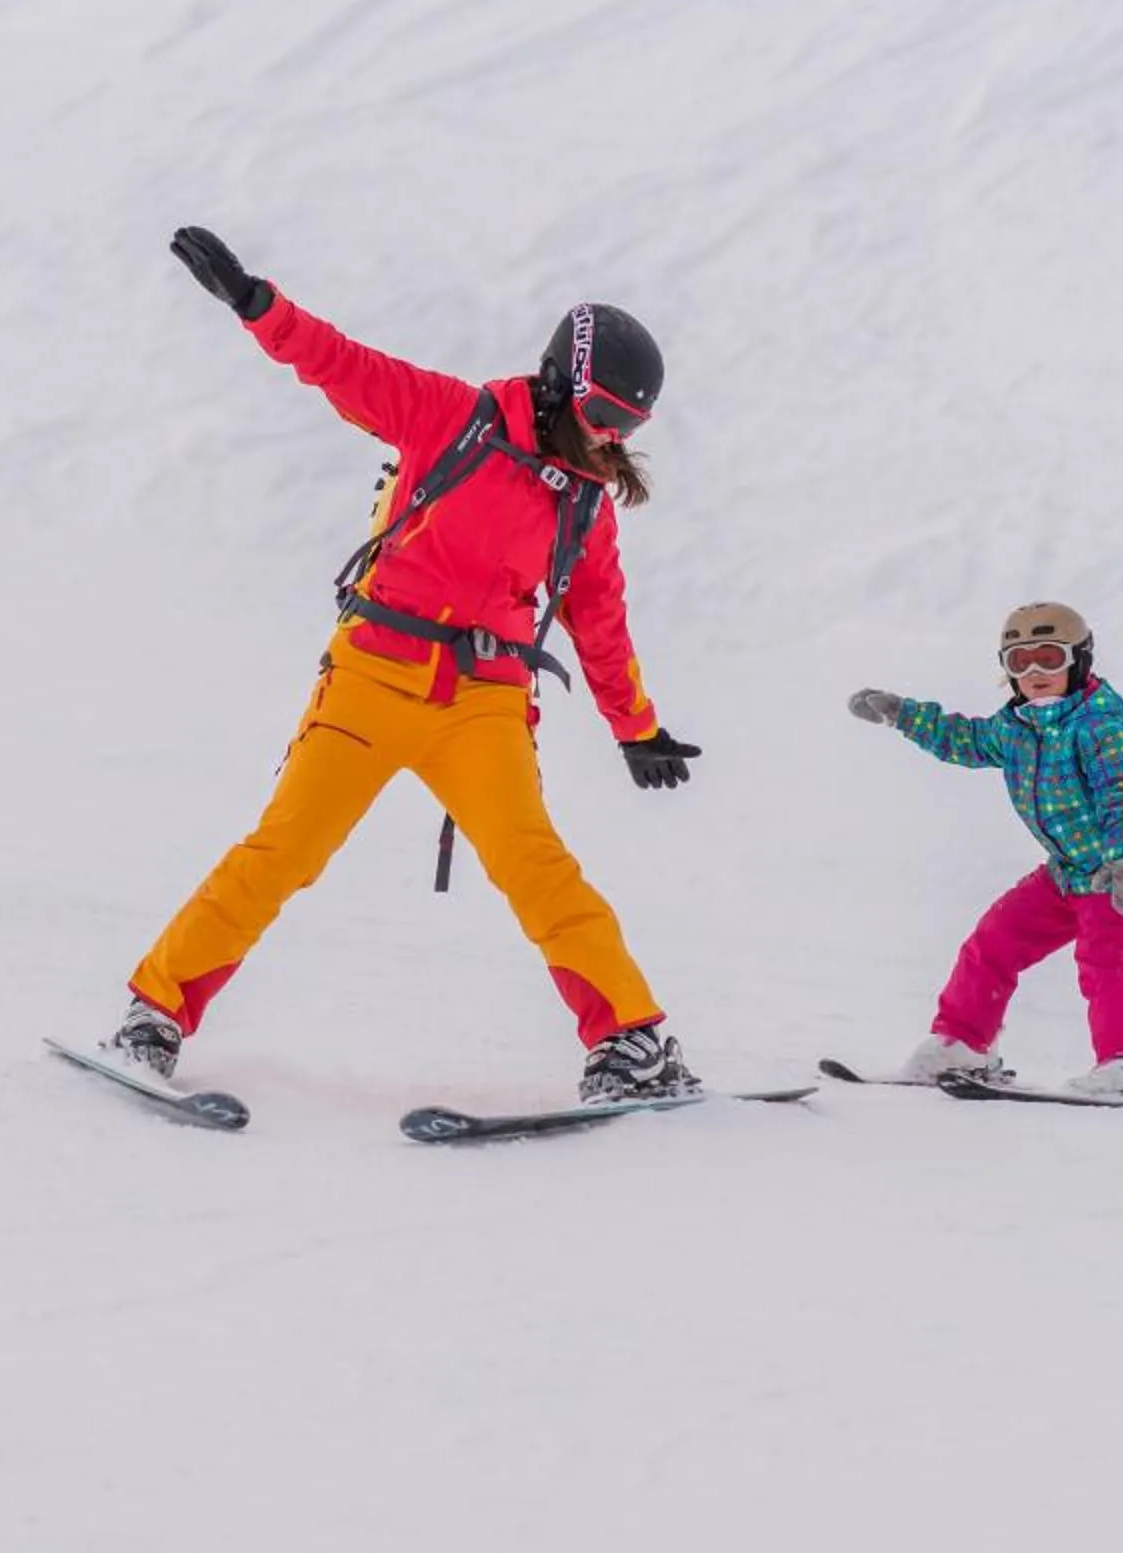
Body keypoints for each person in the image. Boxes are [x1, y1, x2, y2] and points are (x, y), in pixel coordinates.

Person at [103, 225, 706, 1101]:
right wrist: (255, 304)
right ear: (557, 384)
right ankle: (151, 1014)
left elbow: (600, 623)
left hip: (483, 705)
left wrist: (636, 728)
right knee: (283, 852)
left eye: (630, 425)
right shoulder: (451, 418)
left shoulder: (584, 505)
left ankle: (632, 1045)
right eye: (604, 414)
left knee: (536, 867)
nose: (613, 438)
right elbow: (339, 363)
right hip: (371, 678)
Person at [848, 604, 1123, 1095]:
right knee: (993, 943)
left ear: (1079, 661)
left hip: (1116, 873)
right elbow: (965, 738)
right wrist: (903, 714)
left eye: (1049, 657)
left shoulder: (1102, 725)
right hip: (1065, 873)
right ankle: (962, 1043)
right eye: (1020, 662)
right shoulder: (1016, 727)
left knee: (1105, 964)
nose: (1036, 673)